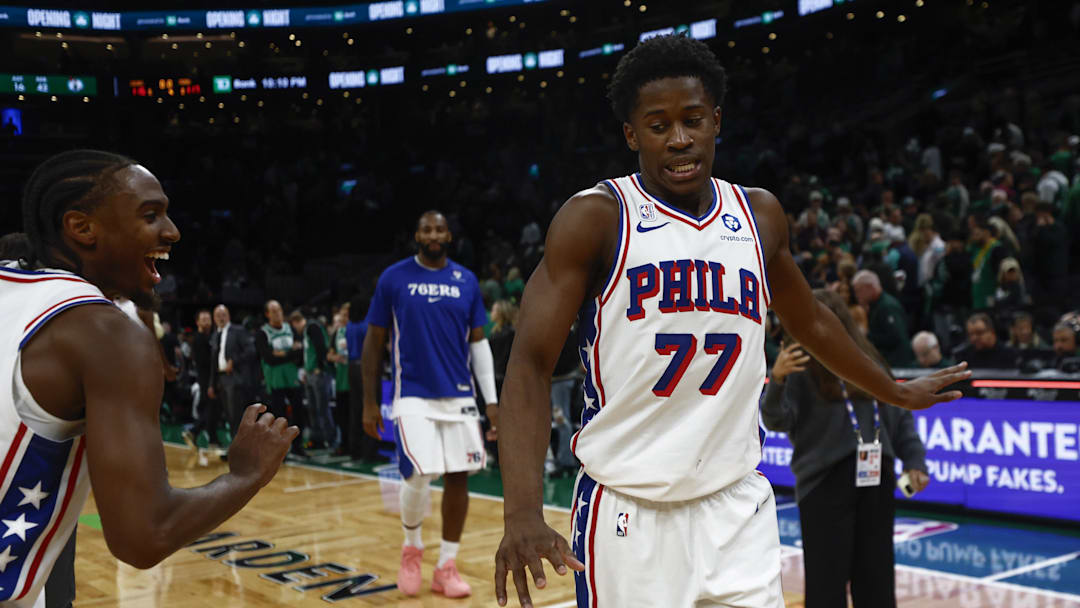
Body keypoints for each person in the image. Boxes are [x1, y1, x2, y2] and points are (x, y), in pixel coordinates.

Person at [493, 35, 969, 608]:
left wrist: (893, 390)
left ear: (716, 121)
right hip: (629, 512)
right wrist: (521, 510)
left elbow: (813, 322)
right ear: (631, 135)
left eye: (693, 120)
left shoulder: (759, 215)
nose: (679, 139)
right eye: (658, 126)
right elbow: (530, 364)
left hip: (737, 507)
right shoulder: (595, 219)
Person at [2, 149, 296, 607]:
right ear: (82, 227)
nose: (172, 231)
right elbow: (143, 536)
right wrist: (246, 475)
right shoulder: (107, 333)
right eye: (150, 215)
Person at [361, 210, 499, 599]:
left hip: (459, 395)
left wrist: (491, 400)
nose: (433, 234)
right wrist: (369, 401)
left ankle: (446, 566)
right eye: (427, 229)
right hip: (413, 395)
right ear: (417, 236)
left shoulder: (466, 280)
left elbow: (478, 343)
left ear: (449, 236)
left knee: (458, 477)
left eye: (440, 229)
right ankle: (412, 549)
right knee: (419, 474)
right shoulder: (393, 278)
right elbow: (374, 342)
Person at [761, 290, 930, 608]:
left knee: (877, 579)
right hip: (824, 482)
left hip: (876, 478)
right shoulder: (799, 361)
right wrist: (778, 379)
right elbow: (777, 420)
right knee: (826, 583)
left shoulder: (869, 358)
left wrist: (914, 459)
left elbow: (899, 414)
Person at [256, 299, 308, 457]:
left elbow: (300, 352)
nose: (278, 313)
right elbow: (269, 358)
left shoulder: (290, 328)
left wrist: (281, 354)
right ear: (267, 314)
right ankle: (279, 450)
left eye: (279, 310)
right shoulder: (263, 333)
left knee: (298, 412)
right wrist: (290, 353)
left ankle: (298, 446)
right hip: (275, 379)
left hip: (293, 377)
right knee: (279, 416)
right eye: (274, 311)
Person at [852, 270, 918, 369]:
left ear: (870, 287)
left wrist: (868, 336)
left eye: (859, 290)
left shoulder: (887, 307)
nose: (857, 295)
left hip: (896, 364)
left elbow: (895, 337)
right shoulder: (875, 305)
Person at [289, 308, 335, 448]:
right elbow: (309, 352)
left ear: (296, 322)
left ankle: (330, 440)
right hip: (310, 373)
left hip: (318, 373)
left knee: (322, 409)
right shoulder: (307, 331)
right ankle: (317, 440)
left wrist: (320, 366)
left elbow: (320, 347)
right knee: (313, 409)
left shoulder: (312, 327)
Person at [184, 309, 225, 456]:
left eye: (208, 319)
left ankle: (204, 437)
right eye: (204, 319)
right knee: (211, 409)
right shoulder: (198, 339)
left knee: (212, 409)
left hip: (212, 378)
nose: (207, 322)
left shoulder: (211, 337)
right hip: (206, 379)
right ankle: (197, 433)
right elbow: (204, 361)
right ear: (197, 322)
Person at [208, 304, 251, 442]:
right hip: (221, 379)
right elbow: (213, 362)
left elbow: (250, 350)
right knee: (228, 416)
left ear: (229, 316)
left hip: (234, 377)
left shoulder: (238, 331)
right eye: (218, 316)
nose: (221, 318)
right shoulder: (215, 335)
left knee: (236, 415)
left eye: (223, 315)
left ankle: (239, 446)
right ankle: (235, 445)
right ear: (214, 318)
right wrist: (211, 384)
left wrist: (234, 361)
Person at [953, 312, 1018, 369]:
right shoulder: (963, 356)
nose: (974, 338)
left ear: (991, 332)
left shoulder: (1009, 354)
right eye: (971, 334)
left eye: (979, 333)